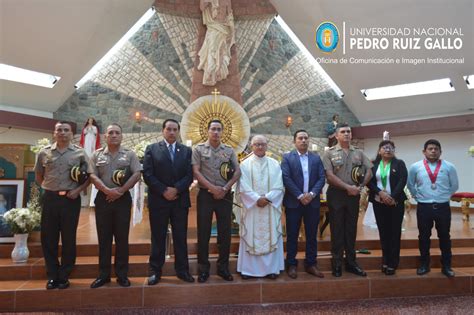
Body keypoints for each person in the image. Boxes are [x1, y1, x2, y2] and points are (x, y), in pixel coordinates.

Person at [34, 121, 90, 290]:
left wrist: (77, 190)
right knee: (48, 238)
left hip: (70, 199)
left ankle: (64, 275)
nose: (63, 133)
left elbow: (88, 177)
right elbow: (38, 174)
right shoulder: (43, 153)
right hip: (50, 199)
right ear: (54, 133)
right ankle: (52, 275)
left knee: (68, 237)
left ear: (72, 134)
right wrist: (48, 188)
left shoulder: (80, 153)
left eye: (66, 130)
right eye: (59, 130)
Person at [88, 123, 141, 288]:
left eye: (117, 133)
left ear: (121, 136)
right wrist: (106, 190)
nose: (114, 135)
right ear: (105, 136)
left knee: (122, 239)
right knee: (104, 239)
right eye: (111, 133)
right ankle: (103, 275)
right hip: (103, 200)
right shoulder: (97, 155)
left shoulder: (130, 154)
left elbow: (137, 173)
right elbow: (92, 175)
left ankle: (122, 275)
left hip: (123, 200)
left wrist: (121, 190)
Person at [143, 119, 195, 285]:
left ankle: (182, 271)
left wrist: (176, 189)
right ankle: (155, 271)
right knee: (158, 237)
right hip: (159, 200)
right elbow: (148, 174)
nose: (172, 132)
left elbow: (189, 175)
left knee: (180, 237)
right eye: (169, 129)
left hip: (179, 201)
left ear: (178, 131)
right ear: (163, 130)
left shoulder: (186, 151)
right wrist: (164, 190)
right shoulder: (152, 149)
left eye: (175, 129)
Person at [192, 119, 241, 283]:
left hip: (225, 195)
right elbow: (196, 172)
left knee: (225, 233)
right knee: (203, 232)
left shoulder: (228, 150)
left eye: (219, 129)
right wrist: (213, 189)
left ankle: (223, 268)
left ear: (222, 132)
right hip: (206, 195)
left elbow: (237, 172)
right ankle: (203, 269)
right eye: (213, 129)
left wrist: (225, 189)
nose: (216, 132)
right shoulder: (198, 149)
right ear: (207, 131)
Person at [322, 123, 372, 277]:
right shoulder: (329, 153)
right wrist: (347, 187)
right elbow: (329, 175)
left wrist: (360, 186)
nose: (346, 134)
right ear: (336, 135)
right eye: (343, 132)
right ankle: (336, 263)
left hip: (354, 195)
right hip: (336, 194)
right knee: (337, 229)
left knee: (351, 229)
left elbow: (369, 169)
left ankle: (351, 262)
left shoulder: (358, 153)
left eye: (348, 132)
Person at [407, 139, 459, 277]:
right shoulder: (415, 167)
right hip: (424, 207)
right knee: (424, 236)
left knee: (445, 237)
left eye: (436, 149)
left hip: (443, 207)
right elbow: (410, 184)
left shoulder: (449, 167)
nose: (433, 151)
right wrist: (417, 197)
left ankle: (446, 266)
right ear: (424, 151)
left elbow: (454, 185)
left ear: (440, 152)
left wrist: (444, 196)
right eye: (430, 149)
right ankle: (424, 264)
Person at [236, 135, 284, 279]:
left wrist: (267, 198)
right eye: (257, 144)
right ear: (251, 146)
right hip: (252, 208)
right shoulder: (244, 164)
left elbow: (279, 185)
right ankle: (249, 270)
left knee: (270, 235)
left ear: (267, 145)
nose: (260, 147)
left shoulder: (275, 163)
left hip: (269, 206)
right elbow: (242, 186)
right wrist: (257, 199)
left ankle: (271, 269)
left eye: (262, 144)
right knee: (250, 235)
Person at [281, 130, 326, 279]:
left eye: (306, 138)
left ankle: (311, 264)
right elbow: (286, 178)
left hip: (312, 203)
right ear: (295, 141)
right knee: (292, 235)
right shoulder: (287, 158)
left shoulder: (316, 158)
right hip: (294, 202)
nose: (304, 140)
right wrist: (300, 195)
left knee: (311, 235)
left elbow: (321, 178)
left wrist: (312, 194)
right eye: (300, 138)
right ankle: (292, 264)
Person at [368, 140, 407, 275]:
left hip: (395, 203)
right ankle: (385, 260)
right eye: (385, 147)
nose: (388, 150)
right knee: (383, 233)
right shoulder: (373, 165)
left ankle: (393, 263)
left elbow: (403, 180)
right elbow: (369, 182)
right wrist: (381, 194)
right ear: (379, 151)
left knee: (395, 233)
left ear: (394, 150)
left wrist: (392, 197)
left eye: (391, 148)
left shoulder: (399, 163)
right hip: (379, 202)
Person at [197, 0, 235, 86]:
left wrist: (231, 27)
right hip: (213, 27)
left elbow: (229, 14)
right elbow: (202, 7)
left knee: (222, 49)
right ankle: (210, 72)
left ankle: (219, 71)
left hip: (224, 28)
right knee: (212, 50)